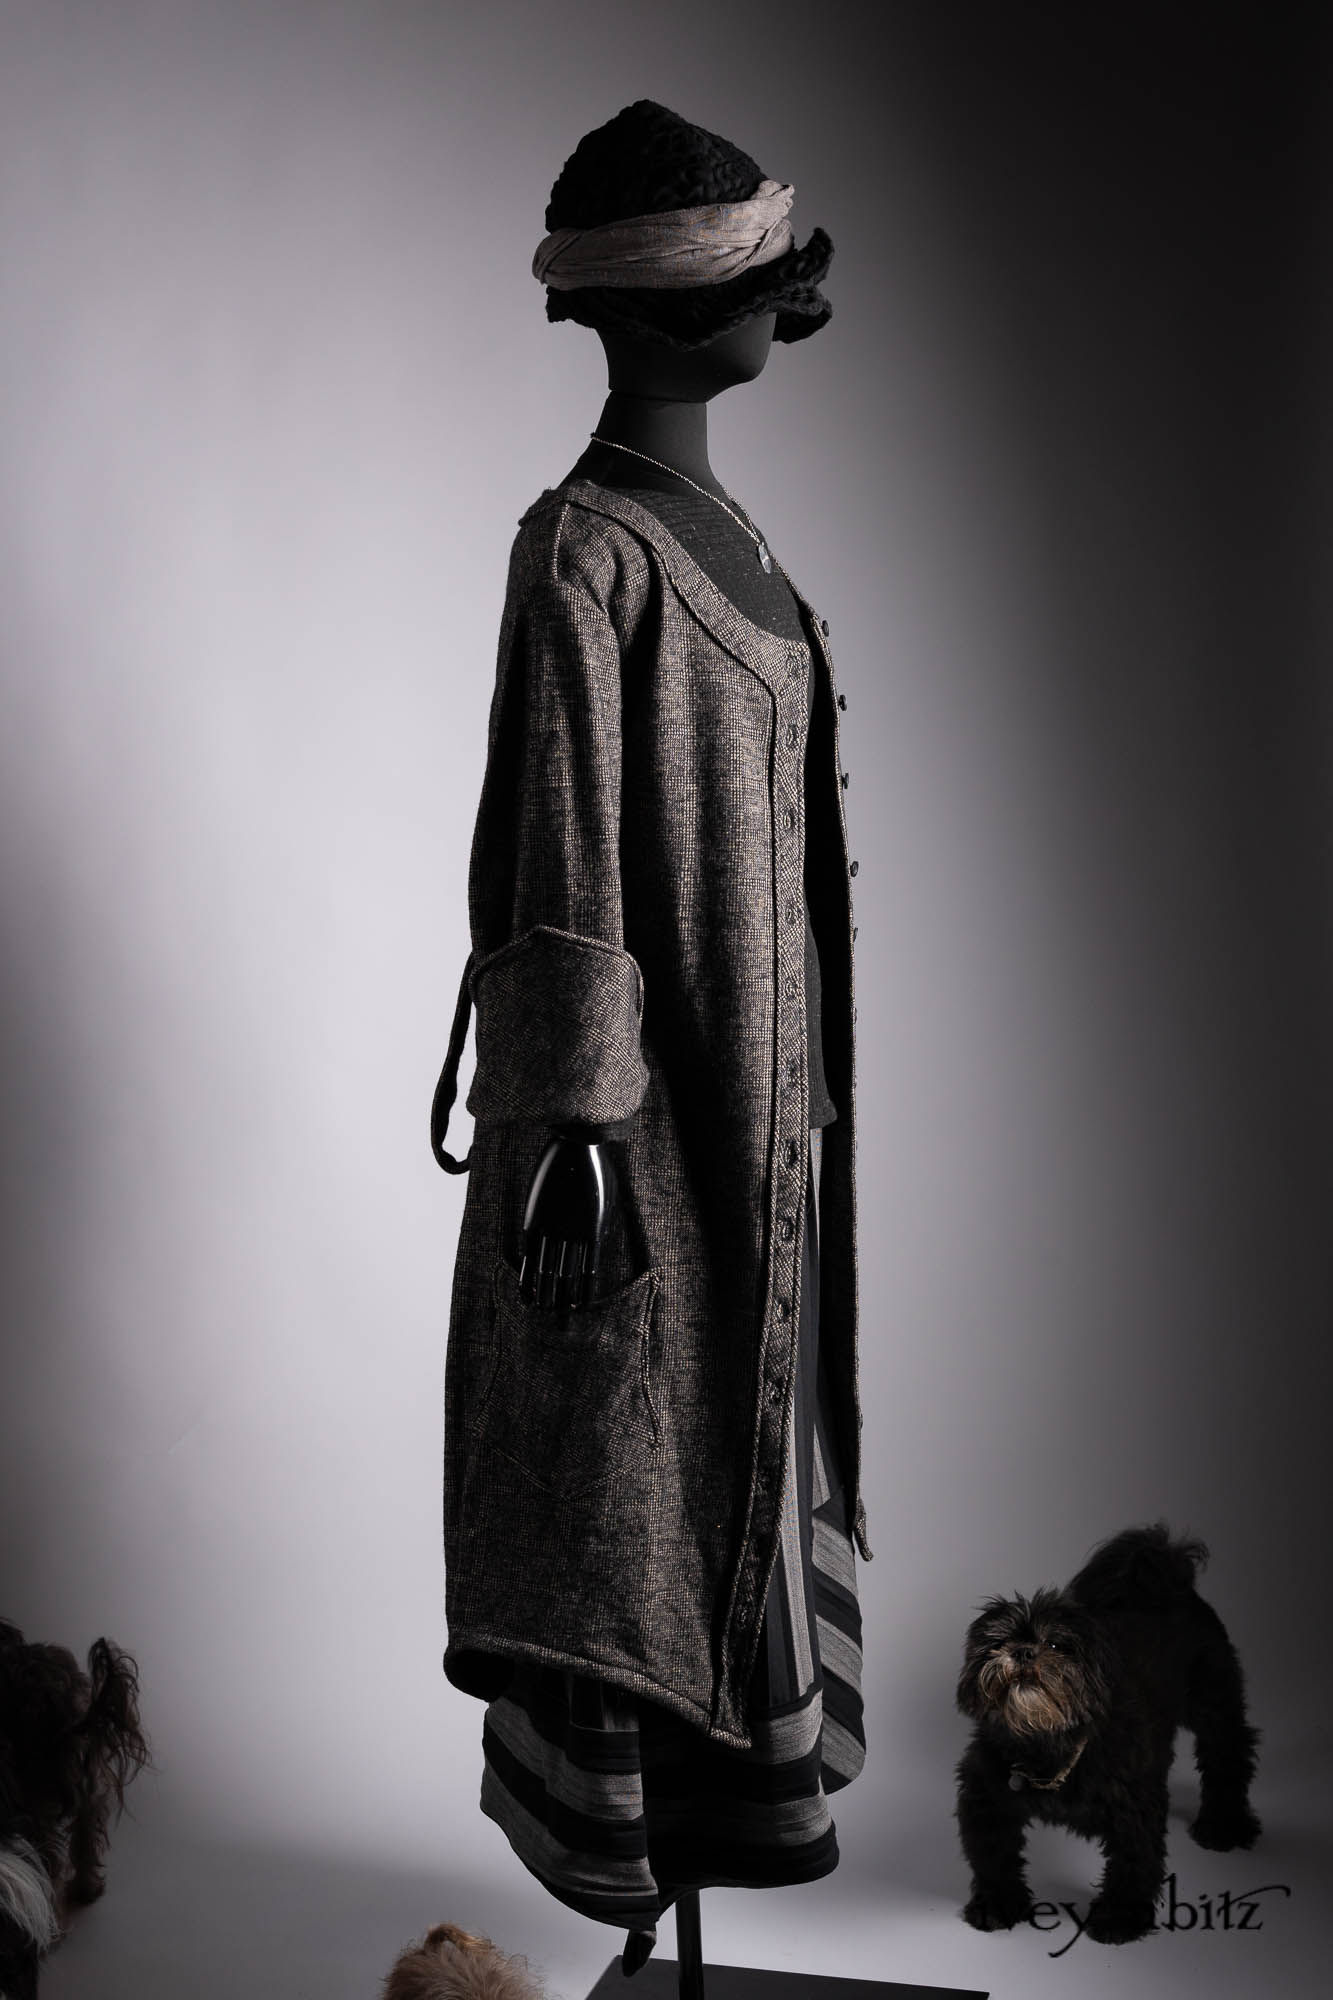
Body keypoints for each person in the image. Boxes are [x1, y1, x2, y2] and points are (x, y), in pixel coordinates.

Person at [430, 99, 869, 1945]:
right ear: (673, 306)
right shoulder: (585, 549)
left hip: (769, 1122)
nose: (776, 303)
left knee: (737, 1451)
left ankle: (739, 1786)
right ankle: (638, 1821)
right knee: (635, 1467)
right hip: (643, 1136)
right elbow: (557, 861)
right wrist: (577, 1131)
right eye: (746, 275)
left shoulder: (725, 528)